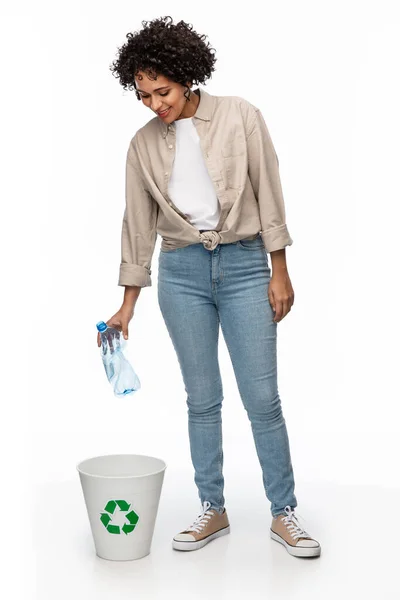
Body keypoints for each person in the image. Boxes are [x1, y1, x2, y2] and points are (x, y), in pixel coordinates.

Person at [98, 15, 321, 558]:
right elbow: (137, 225)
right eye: (144, 95)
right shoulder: (142, 145)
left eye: (163, 91)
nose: (155, 104)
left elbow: (269, 189)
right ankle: (212, 508)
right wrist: (127, 304)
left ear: (187, 76)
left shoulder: (241, 116)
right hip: (182, 273)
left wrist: (280, 269)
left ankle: (283, 512)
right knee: (202, 400)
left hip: (246, 266)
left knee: (262, 399)